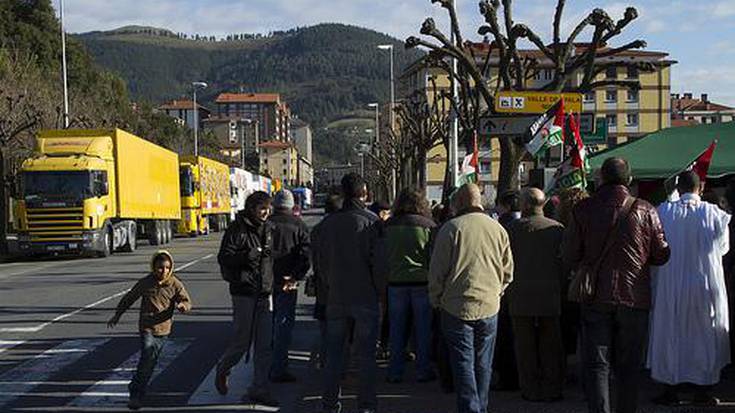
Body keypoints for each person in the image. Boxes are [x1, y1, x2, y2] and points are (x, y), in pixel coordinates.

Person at [563, 157, 670, 413]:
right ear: (629, 180)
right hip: (634, 297)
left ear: (601, 179)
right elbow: (662, 254)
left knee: (598, 365)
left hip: (595, 297)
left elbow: (568, 253)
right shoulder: (646, 210)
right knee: (629, 367)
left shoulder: (583, 210)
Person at [648, 171, 731, 406]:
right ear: (701, 187)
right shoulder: (716, 214)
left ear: (678, 188)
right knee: (703, 334)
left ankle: (670, 389)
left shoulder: (664, 212)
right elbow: (723, 248)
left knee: (671, 332)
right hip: (704, 283)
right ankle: (703, 389)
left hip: (671, 282)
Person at [429, 183, 514, 413]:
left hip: (456, 305)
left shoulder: (451, 228)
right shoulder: (497, 229)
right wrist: (498, 291)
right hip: (489, 304)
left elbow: (437, 271)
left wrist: (436, 298)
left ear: (458, 202)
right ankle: (481, 406)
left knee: (463, 362)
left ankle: (471, 408)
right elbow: (508, 271)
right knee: (483, 363)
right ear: (480, 200)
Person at [317, 173, 382, 413]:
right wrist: (379, 291)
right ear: (364, 193)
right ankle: (366, 405)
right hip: (366, 297)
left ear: (343, 194)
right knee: (365, 356)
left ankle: (330, 404)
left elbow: (320, 264)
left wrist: (331, 284)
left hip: (336, 297)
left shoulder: (327, 225)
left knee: (334, 356)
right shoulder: (373, 222)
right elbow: (380, 265)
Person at [215, 191, 278, 407]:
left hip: (265, 292)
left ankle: (259, 388)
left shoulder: (270, 228)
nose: (266, 212)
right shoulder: (237, 228)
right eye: (262, 208)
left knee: (265, 345)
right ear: (251, 208)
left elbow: (273, 258)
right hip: (244, 292)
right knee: (243, 341)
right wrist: (247, 256)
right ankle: (224, 367)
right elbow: (224, 257)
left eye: (268, 208)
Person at [107, 250, 192, 410]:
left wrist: (183, 306)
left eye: (167, 268)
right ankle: (136, 394)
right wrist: (117, 315)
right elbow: (129, 298)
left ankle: (136, 384)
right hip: (147, 327)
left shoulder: (175, 284)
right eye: (160, 267)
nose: (164, 271)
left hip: (164, 329)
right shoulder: (146, 282)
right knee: (147, 355)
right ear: (153, 267)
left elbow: (186, 301)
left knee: (151, 362)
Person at [506, 188, 565, 402]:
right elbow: (564, 263)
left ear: (523, 205)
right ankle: (552, 387)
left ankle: (530, 388)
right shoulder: (557, 229)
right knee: (551, 345)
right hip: (550, 294)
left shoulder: (511, 229)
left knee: (525, 346)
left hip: (520, 294)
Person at [384, 188, 436, 383]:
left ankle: (395, 371)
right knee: (423, 330)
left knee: (397, 330)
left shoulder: (388, 226)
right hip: (422, 282)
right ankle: (423, 370)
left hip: (396, 283)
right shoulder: (429, 226)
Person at [269, 189, 311, 382]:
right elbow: (306, 256)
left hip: (265, 281)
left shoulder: (265, 224)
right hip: (288, 280)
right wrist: (296, 276)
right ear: (291, 205)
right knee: (284, 325)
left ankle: (265, 365)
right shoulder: (299, 225)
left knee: (267, 324)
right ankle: (279, 367)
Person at [310, 193, 344, 368]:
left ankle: (324, 361)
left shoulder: (317, 230)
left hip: (323, 289)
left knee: (324, 331)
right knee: (341, 333)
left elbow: (315, 260)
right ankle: (339, 366)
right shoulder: (346, 228)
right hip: (343, 290)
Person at [492, 189, 521, 391]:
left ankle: (507, 376)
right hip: (528, 288)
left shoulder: (501, 227)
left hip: (504, 290)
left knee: (504, 336)